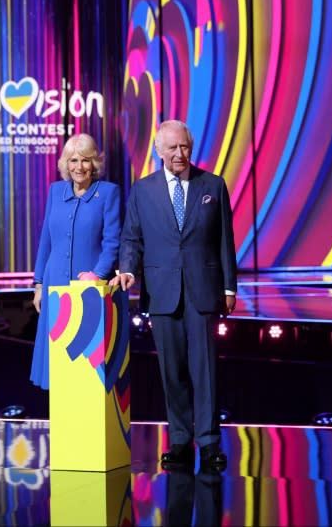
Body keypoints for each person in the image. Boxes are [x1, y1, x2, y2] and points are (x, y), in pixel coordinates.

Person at [109, 119, 237, 471]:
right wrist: (128, 267)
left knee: (205, 371)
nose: (180, 154)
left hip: (203, 292)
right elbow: (131, 238)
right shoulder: (143, 190)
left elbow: (225, 239)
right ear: (159, 151)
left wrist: (229, 287)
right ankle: (180, 440)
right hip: (162, 294)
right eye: (172, 148)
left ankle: (209, 442)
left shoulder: (212, 185)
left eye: (185, 147)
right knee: (172, 372)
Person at [30, 134, 122, 389]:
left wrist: (98, 274)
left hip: (89, 288)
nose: (79, 167)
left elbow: (112, 241)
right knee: (58, 362)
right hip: (54, 283)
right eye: (73, 160)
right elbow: (46, 240)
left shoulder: (108, 193)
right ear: (65, 164)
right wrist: (38, 284)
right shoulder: (55, 191)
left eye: (85, 160)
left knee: (85, 364)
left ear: (94, 164)